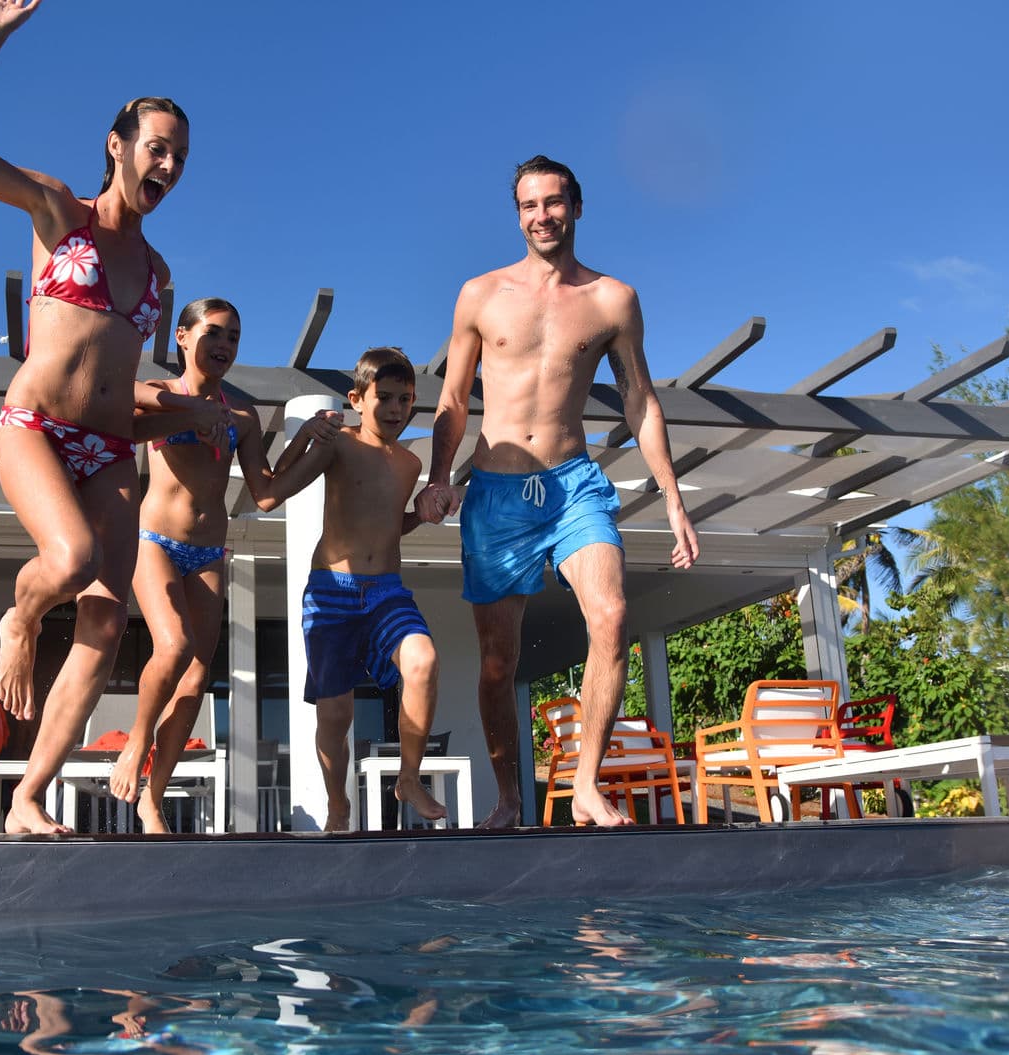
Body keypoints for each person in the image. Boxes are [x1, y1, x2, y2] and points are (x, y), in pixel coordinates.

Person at [0, 0, 219, 833]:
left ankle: (25, 796)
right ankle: (17, 616)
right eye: (156, 148)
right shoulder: (58, 211)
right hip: (35, 429)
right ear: (116, 146)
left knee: (107, 616)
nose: (168, 166)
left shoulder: (157, 272)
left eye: (181, 158)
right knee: (72, 556)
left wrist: (185, 419)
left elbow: (117, 397)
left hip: (107, 448)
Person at [415, 154, 699, 829]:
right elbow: (453, 397)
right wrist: (436, 474)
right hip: (497, 490)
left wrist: (672, 495)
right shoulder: (479, 294)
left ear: (575, 205)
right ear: (517, 214)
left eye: (552, 202)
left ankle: (585, 786)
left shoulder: (612, 299)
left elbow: (639, 399)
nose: (540, 216)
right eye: (527, 205)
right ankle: (510, 798)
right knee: (496, 662)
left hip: (572, 486)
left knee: (609, 615)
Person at [107, 298, 342, 833]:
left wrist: (306, 441)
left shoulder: (242, 415)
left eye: (234, 337)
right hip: (155, 541)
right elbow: (113, 403)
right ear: (183, 338)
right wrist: (189, 413)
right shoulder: (161, 399)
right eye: (213, 332)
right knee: (174, 646)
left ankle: (153, 799)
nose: (224, 345)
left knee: (193, 683)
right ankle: (137, 740)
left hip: (209, 553)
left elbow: (264, 493)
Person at [279, 347, 449, 832]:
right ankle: (338, 804)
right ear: (357, 398)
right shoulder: (339, 444)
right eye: (386, 398)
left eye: (406, 400)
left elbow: (390, 527)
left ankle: (409, 779)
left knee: (424, 662)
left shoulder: (410, 464)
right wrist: (305, 437)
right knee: (335, 716)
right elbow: (268, 494)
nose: (396, 410)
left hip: (385, 593)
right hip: (331, 591)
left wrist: (422, 515)